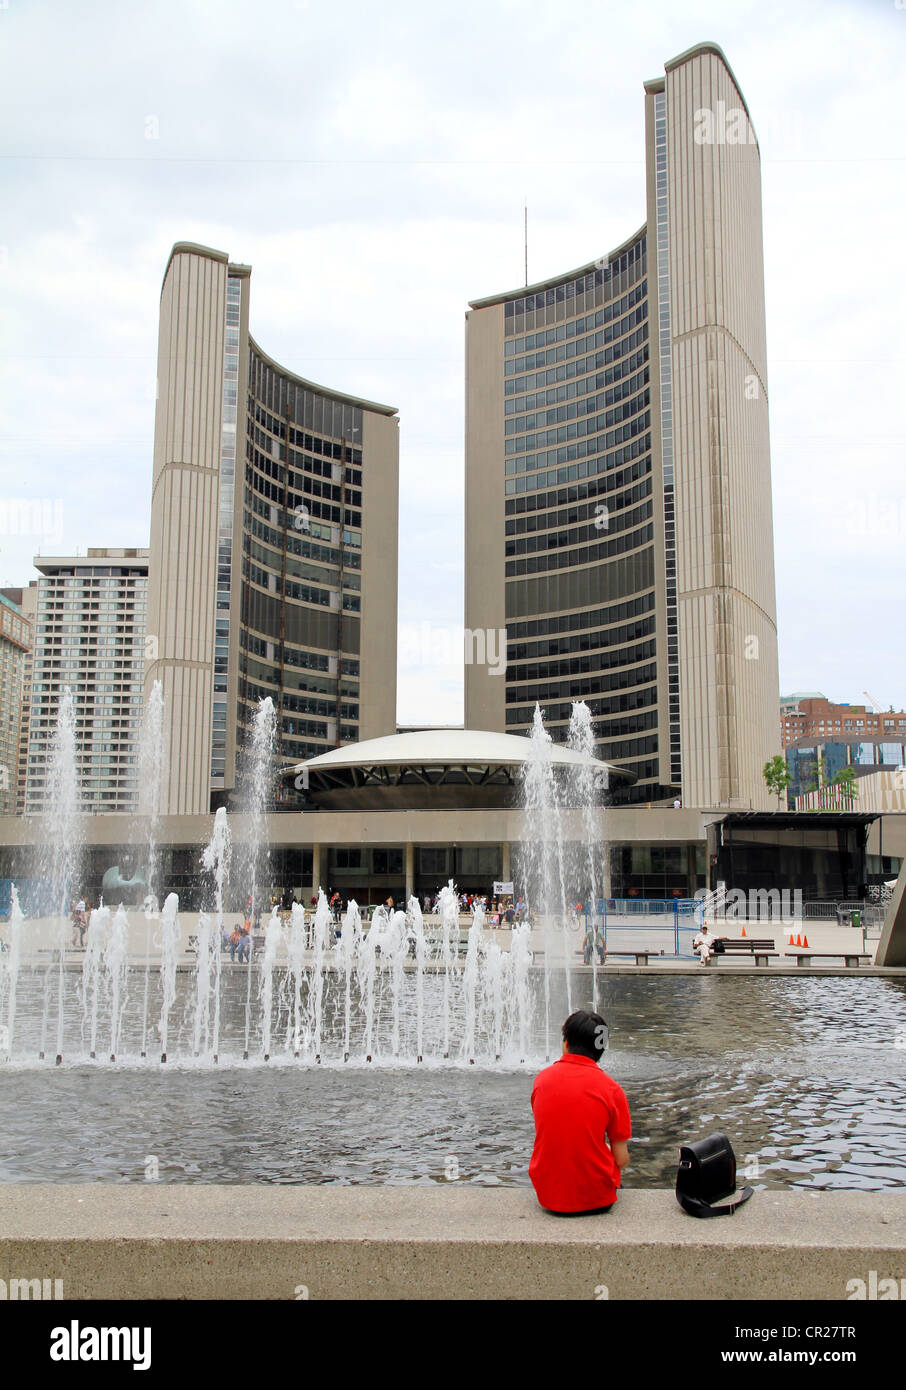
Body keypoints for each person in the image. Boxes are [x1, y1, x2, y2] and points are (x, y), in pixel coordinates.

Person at [528, 1010, 631, 1216]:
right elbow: (621, 1160)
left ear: (566, 1043)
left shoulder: (541, 1081)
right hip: (597, 1199)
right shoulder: (612, 1089)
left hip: (548, 1196)